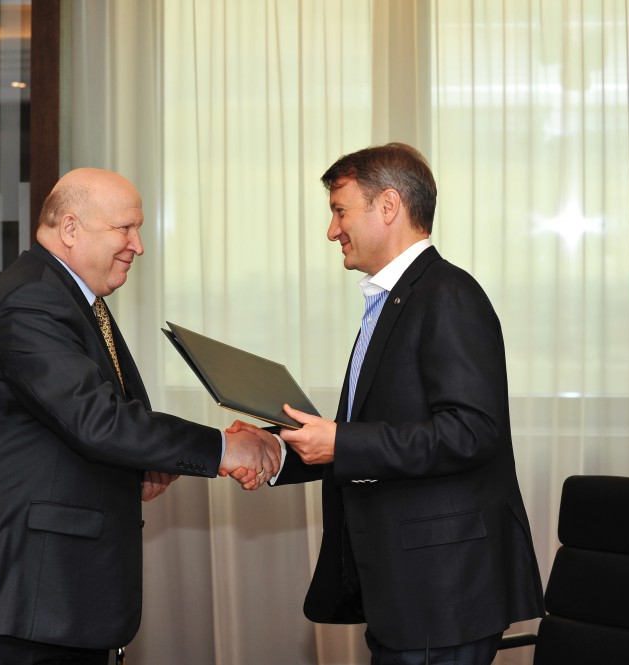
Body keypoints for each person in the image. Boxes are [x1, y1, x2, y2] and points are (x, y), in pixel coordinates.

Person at [0, 167, 280, 665]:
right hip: (13, 597)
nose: (138, 246)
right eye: (125, 228)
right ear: (70, 228)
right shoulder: (32, 300)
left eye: (139, 229)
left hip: (51, 598)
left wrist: (145, 464)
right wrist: (224, 448)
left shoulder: (73, 298)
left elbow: (81, 425)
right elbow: (98, 421)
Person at [230, 142, 544, 664]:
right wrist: (278, 451)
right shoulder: (395, 298)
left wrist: (340, 441)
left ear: (389, 206)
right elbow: (376, 431)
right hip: (405, 590)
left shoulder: (447, 294)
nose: (332, 230)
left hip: (443, 592)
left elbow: (471, 432)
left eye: (340, 211)